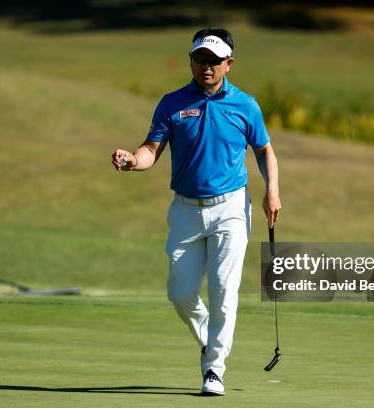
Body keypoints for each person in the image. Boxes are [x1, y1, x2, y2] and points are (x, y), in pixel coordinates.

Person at [111, 27, 281, 396]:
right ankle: (210, 339)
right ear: (190, 60)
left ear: (228, 64)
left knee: (224, 289)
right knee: (181, 293)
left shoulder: (245, 105)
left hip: (231, 209)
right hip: (186, 211)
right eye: (200, 59)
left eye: (214, 61)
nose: (206, 66)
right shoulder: (171, 103)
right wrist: (131, 161)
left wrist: (273, 191)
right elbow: (150, 150)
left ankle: (214, 370)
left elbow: (264, 151)